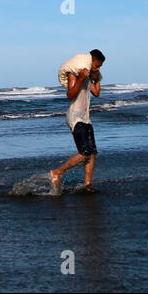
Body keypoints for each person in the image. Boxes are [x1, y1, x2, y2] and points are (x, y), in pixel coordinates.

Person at [49, 50, 104, 192]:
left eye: (100, 67)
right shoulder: (74, 73)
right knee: (85, 152)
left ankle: (87, 185)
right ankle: (58, 172)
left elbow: (96, 93)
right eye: (96, 66)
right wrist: (80, 79)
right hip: (75, 117)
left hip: (85, 118)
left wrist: (96, 77)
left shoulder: (87, 76)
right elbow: (70, 94)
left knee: (92, 153)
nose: (97, 69)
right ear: (91, 61)